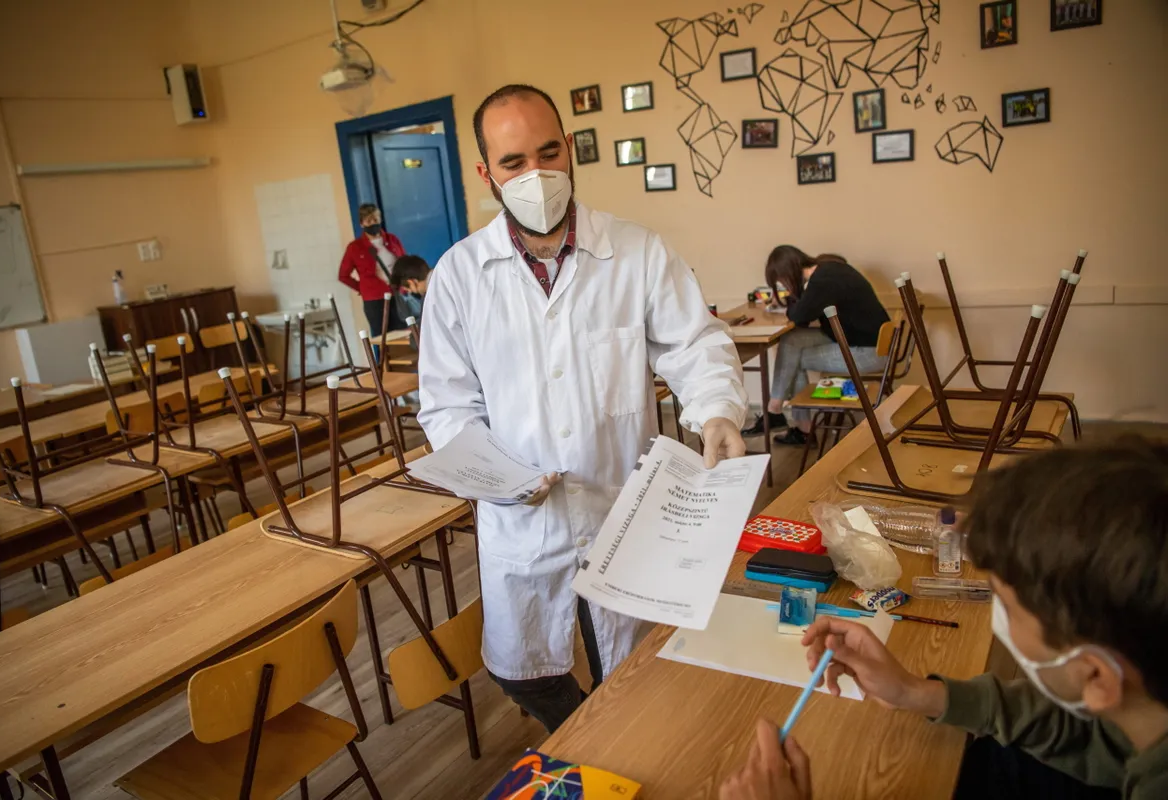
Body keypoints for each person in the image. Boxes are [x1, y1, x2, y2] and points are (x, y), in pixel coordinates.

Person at [418, 83, 749, 733]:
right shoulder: (459, 275)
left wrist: (716, 410)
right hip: (524, 519)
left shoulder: (637, 251)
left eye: (549, 153)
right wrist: (493, 474)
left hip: (621, 506)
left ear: (570, 148)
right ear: (486, 174)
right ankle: (585, 738)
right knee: (522, 671)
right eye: (514, 163)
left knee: (632, 669)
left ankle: (618, 747)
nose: (537, 175)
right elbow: (446, 403)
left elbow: (695, 344)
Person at [720, 439, 1168, 799]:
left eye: (1007, 607)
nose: (997, 615)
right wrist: (917, 692)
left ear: (1096, 676)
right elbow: (1095, 737)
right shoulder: (1144, 717)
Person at [744, 246, 889, 445]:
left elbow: (798, 316)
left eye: (782, 281)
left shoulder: (822, 280)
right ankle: (778, 412)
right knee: (792, 339)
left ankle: (791, 422)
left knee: (794, 359)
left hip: (869, 352)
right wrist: (793, 300)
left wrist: (790, 300)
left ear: (787, 273)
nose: (784, 286)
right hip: (863, 340)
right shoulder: (828, 269)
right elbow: (805, 314)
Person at [337, 202, 407, 339]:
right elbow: (343, 275)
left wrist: (404, 284)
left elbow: (405, 263)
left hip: (397, 294)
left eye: (375, 219)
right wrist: (362, 288)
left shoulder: (392, 239)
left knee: (405, 334)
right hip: (374, 300)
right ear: (362, 223)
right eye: (368, 221)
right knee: (383, 338)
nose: (373, 223)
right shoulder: (355, 247)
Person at [388, 254, 431, 325]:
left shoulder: (431, 295)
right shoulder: (442, 274)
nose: (411, 292)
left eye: (408, 289)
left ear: (412, 282)